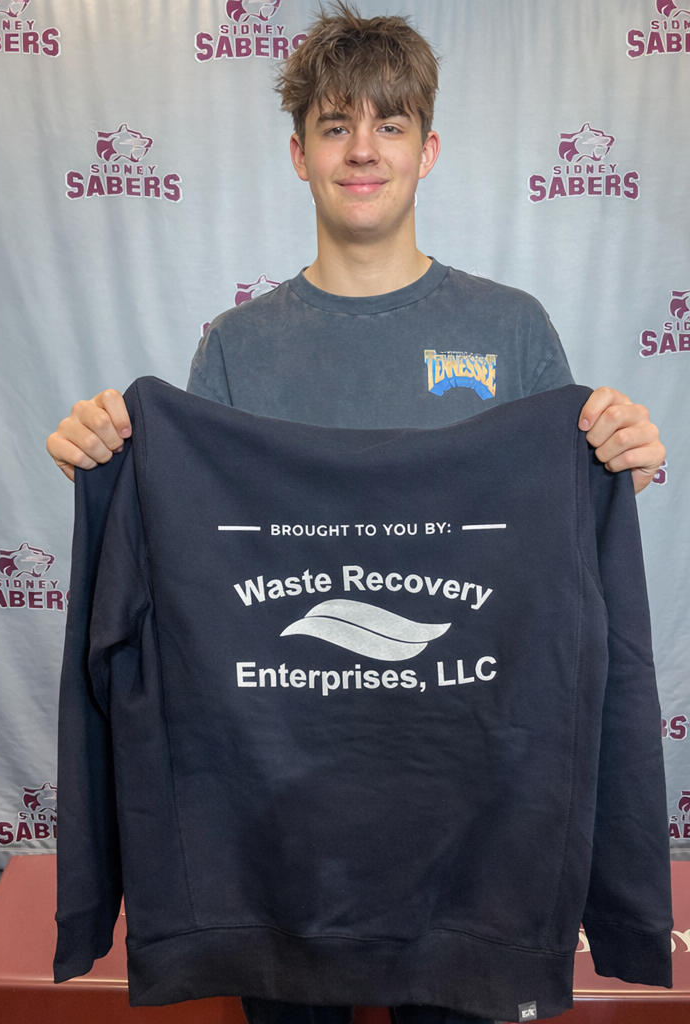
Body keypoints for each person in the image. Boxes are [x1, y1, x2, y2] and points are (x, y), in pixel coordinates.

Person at [46, 6, 665, 1024]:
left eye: (389, 126)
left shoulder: (510, 328)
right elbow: (193, 564)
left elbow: (553, 540)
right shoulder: (239, 345)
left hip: (474, 825)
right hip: (282, 833)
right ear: (298, 156)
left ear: (429, 148)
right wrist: (107, 457)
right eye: (336, 126)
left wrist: (620, 465)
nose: (363, 150)